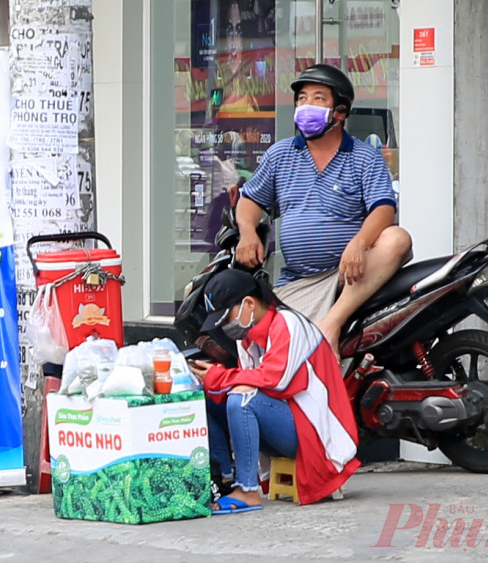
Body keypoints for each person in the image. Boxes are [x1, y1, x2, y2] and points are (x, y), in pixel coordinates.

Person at [234, 63, 412, 351]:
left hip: (350, 276)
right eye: (302, 98)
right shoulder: (280, 155)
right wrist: (247, 232)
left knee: (397, 237)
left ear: (339, 112)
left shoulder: (364, 157)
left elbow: (383, 207)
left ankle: (331, 323)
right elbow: (251, 200)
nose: (307, 105)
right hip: (298, 280)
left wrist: (359, 243)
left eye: (318, 99)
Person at [189, 269, 359, 513]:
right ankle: (224, 479)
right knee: (207, 398)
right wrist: (212, 379)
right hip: (286, 424)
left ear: (249, 303)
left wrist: (220, 377)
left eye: (226, 318)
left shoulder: (287, 323)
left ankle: (247, 490)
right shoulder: (246, 338)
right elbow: (248, 381)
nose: (225, 327)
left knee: (241, 398)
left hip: (315, 433)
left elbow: (275, 381)